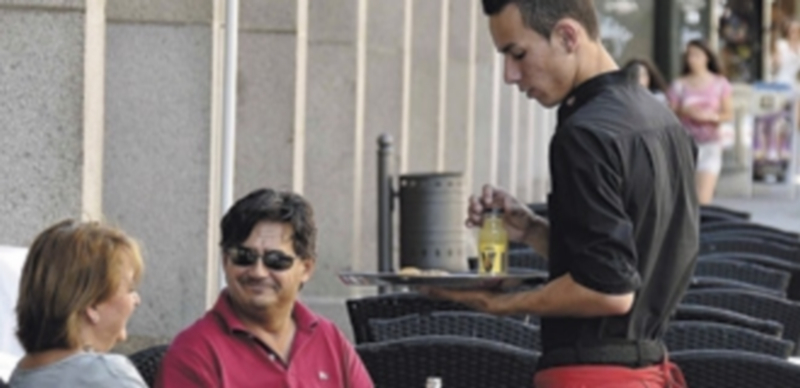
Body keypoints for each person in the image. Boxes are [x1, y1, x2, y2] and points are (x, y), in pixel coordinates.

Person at [426, 1, 698, 387]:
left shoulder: (584, 134)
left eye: (518, 54)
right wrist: (535, 230)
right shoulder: (663, 119)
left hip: (592, 375)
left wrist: (499, 303)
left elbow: (610, 291)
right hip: (646, 365)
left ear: (568, 36)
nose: (509, 75)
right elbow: (625, 263)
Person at [156, 188, 373, 388]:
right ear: (225, 262)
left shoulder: (329, 338)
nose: (258, 272)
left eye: (276, 260)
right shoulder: (194, 353)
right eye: (244, 257)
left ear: (306, 268)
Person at [8, 220, 146, 388]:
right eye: (130, 288)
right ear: (93, 304)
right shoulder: (106, 375)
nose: (136, 300)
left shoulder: (24, 372)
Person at [668, 39, 733, 204]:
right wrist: (686, 111)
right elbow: (669, 113)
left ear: (707, 57)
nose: (692, 59)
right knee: (683, 197)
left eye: (696, 55)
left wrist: (712, 117)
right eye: (689, 55)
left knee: (703, 197)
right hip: (684, 143)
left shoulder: (720, 83)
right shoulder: (679, 84)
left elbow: (728, 113)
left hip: (710, 142)